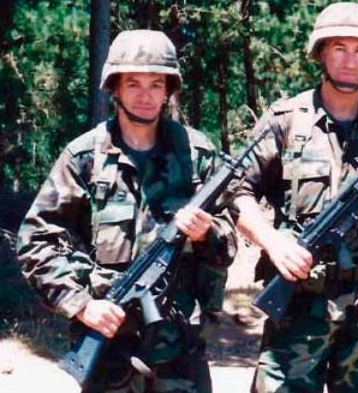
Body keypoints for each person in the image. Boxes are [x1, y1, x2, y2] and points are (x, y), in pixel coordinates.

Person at [16, 29, 237, 392]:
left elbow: (227, 242)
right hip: (109, 339)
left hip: (180, 344)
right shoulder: (84, 157)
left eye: (156, 84)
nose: (145, 95)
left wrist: (206, 232)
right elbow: (35, 239)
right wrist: (82, 305)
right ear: (114, 88)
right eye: (133, 83)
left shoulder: (198, 154)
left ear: (169, 89)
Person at [232, 3, 358, 392]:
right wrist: (274, 243)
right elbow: (238, 193)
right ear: (321, 52)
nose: (349, 60)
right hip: (297, 306)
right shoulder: (285, 120)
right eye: (339, 47)